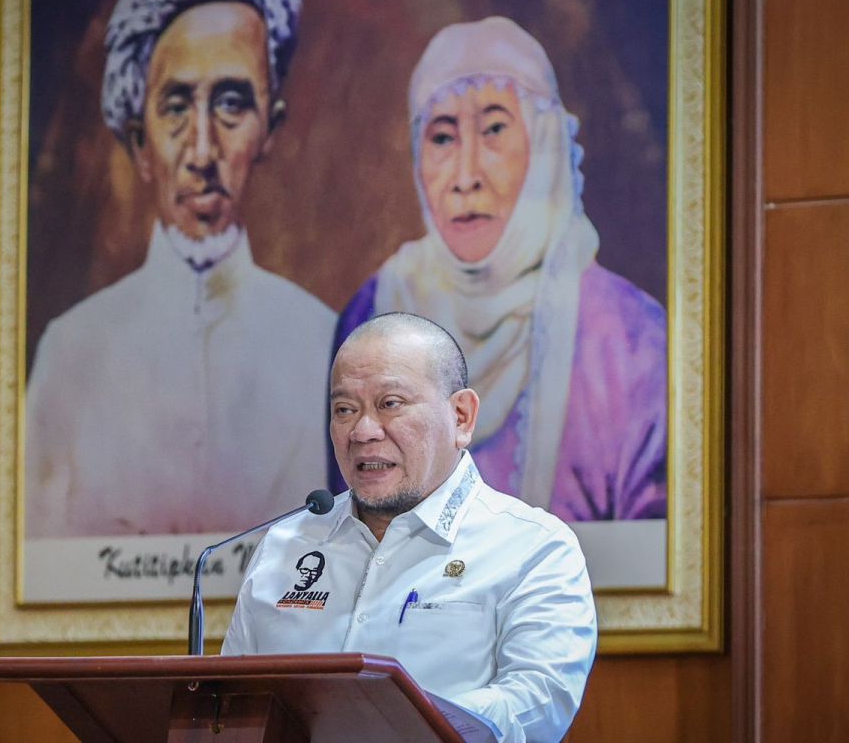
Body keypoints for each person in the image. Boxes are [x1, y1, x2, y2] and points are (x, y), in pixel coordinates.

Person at [25, 0, 334, 538]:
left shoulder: (324, 346)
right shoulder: (71, 353)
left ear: (269, 128)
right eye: (176, 106)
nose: (200, 151)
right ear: (140, 143)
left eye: (231, 103)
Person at [331, 17, 668, 522]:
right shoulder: (376, 309)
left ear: (545, 147)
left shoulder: (630, 338)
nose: (466, 176)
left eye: (493, 130)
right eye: (442, 138)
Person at [224, 312, 597, 743]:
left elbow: (537, 705)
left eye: (391, 404)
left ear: (461, 417)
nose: (362, 431)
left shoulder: (534, 548)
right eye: (345, 409)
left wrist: (395, 721)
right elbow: (232, 706)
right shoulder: (287, 545)